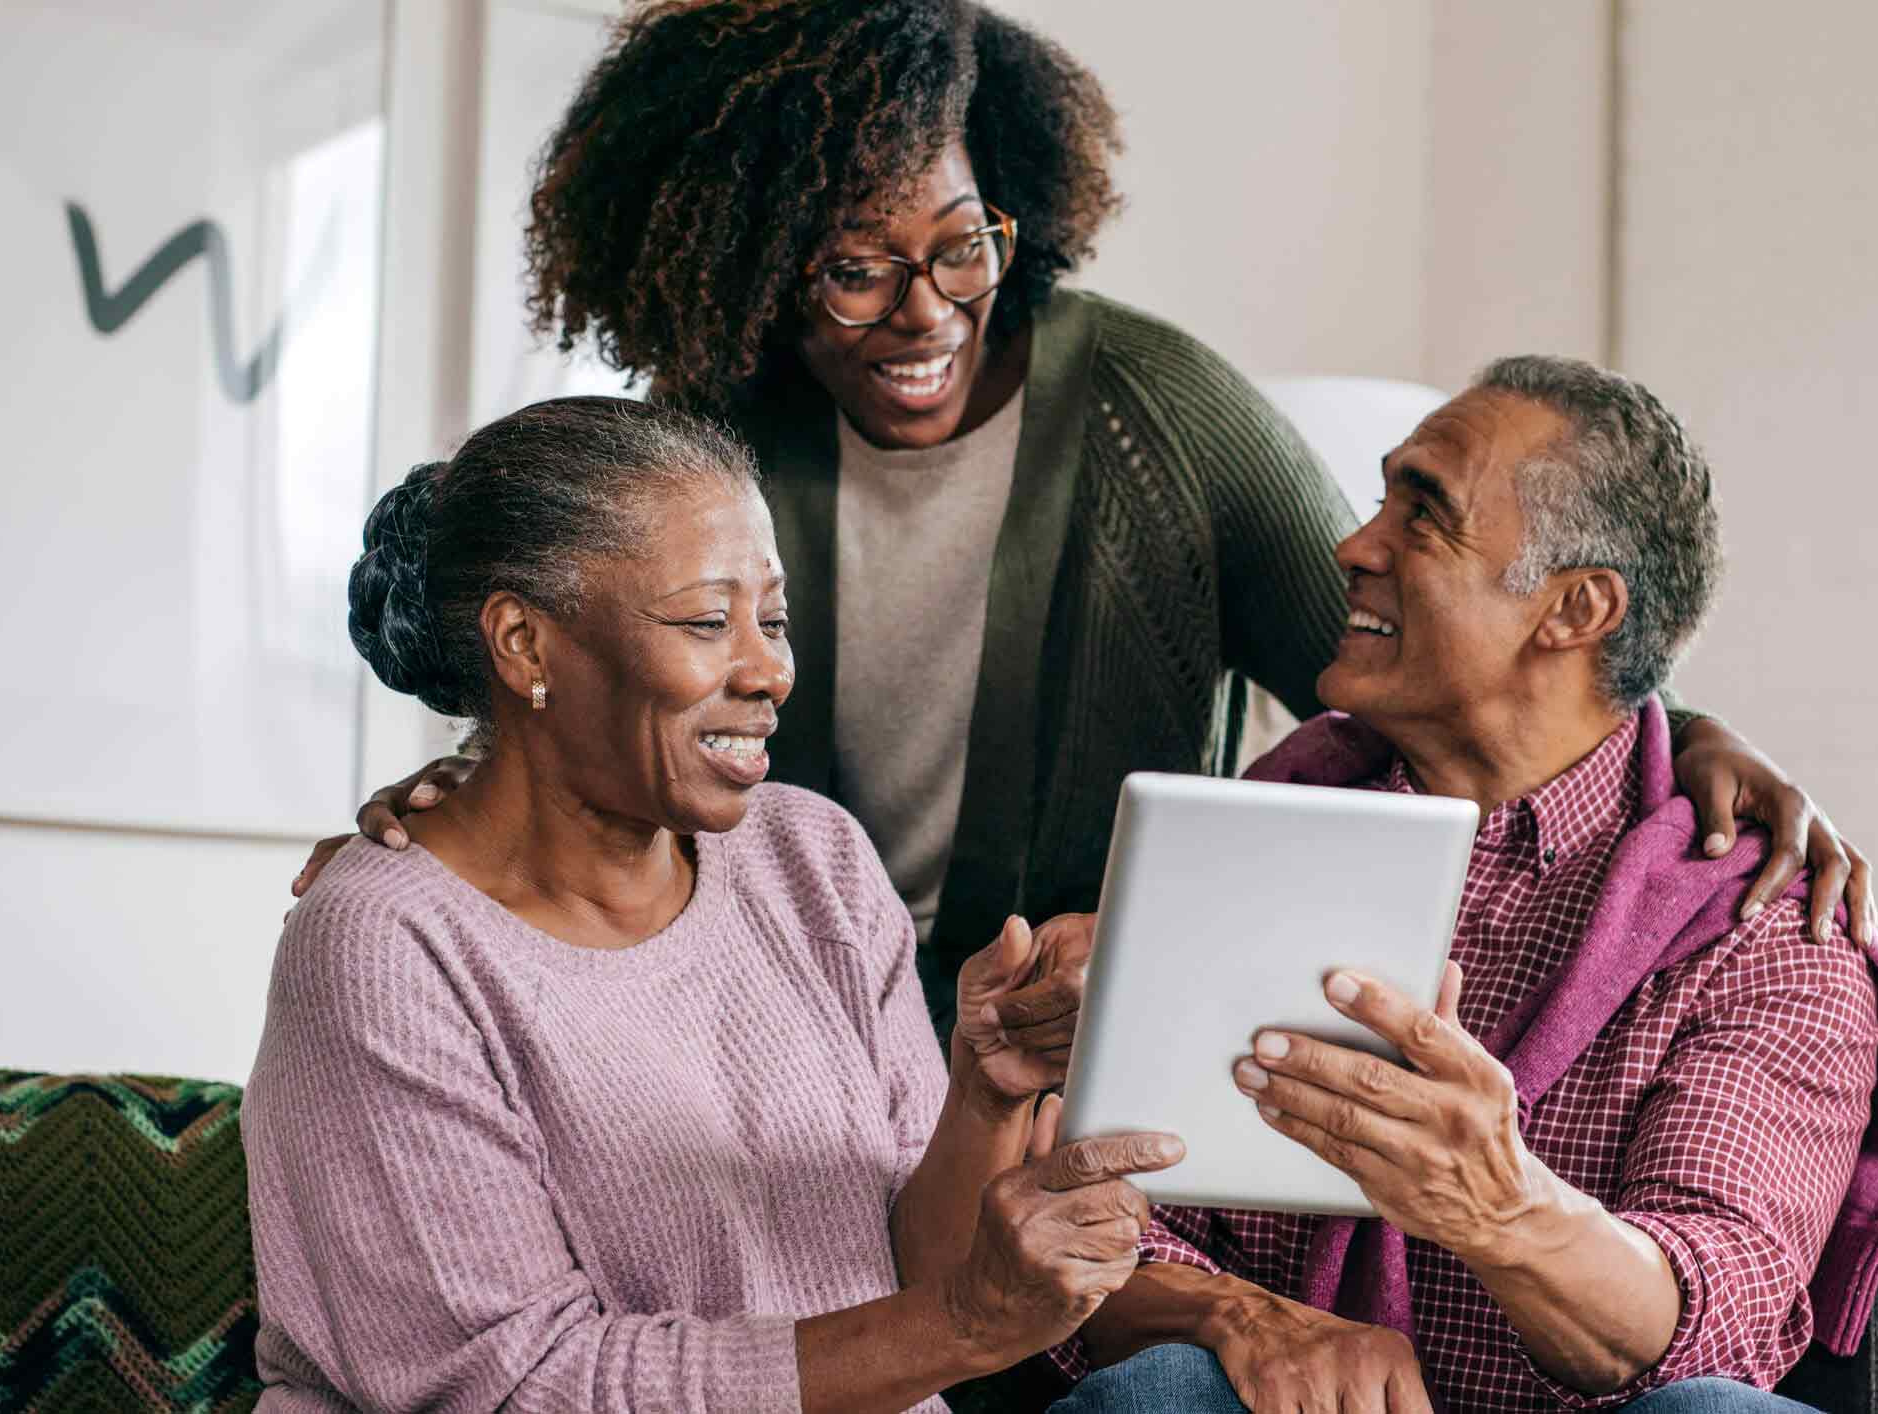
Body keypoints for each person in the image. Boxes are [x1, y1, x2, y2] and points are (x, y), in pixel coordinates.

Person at [294, 0, 1875, 1031]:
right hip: (767, 1046)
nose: (925, 312)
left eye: (962, 245)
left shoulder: (1160, 412)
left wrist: (1680, 729)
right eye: (853, 266)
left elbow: (1424, 658)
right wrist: (460, 800)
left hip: (1071, 1053)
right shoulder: (702, 447)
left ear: (1017, 213)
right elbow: (584, 690)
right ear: (757, 260)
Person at [1042, 358, 1878, 1413]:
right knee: (1158, 1391)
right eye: (1379, 497)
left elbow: (1725, 1308)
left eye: (1422, 513)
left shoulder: (1761, 923)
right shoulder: (1256, 835)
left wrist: (1496, 1206)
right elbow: (1100, 1219)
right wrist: (1235, 1316)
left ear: (1574, 609)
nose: (1353, 547)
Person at [244, 396, 1187, 1413]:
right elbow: (518, 1388)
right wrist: (960, 1324)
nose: (769, 669)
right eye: (705, 621)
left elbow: (916, 1281)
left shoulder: (809, 856)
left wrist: (983, 1098)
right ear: (523, 645)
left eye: (771, 619)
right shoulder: (387, 945)